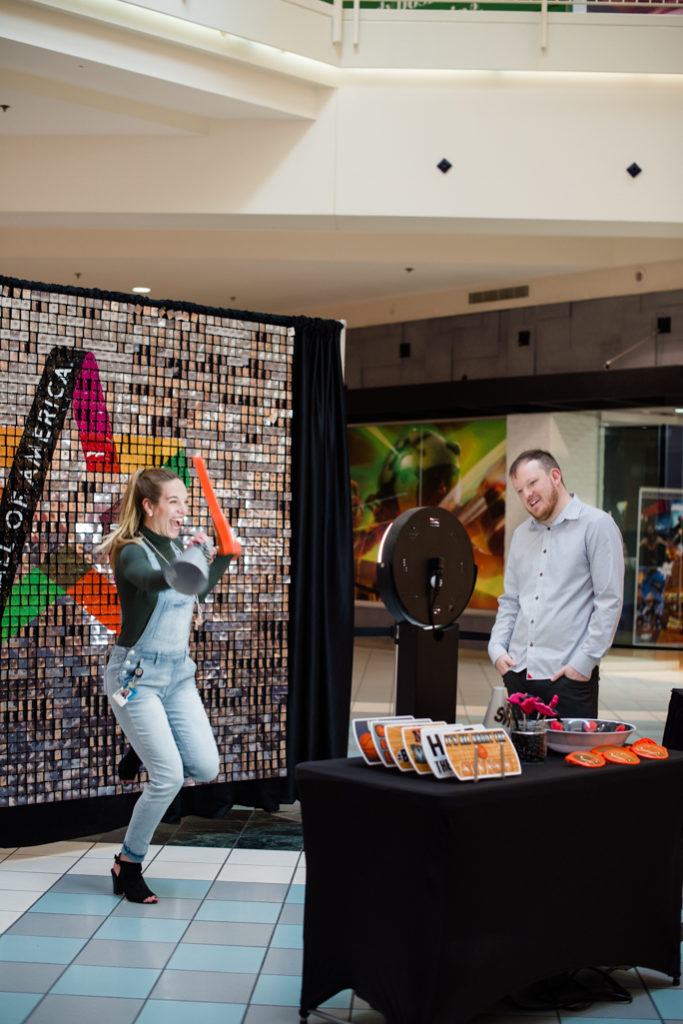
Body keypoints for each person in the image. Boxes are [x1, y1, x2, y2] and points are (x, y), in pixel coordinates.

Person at [97, 467, 235, 903]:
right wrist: (188, 559)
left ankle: (140, 744)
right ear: (149, 506)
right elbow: (152, 579)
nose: (183, 509)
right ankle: (129, 863)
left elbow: (199, 587)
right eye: (173, 501)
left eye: (184, 500)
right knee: (169, 776)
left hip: (178, 676)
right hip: (136, 678)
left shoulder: (181, 547)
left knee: (206, 768)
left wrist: (225, 555)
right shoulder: (130, 551)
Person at [488, 449, 624, 719]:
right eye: (519, 490)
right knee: (521, 760)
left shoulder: (597, 525)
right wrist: (496, 649)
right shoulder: (520, 534)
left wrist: (583, 665)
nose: (527, 494)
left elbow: (609, 601)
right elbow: (510, 601)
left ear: (555, 476)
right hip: (518, 673)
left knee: (569, 761)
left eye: (532, 483)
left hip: (568, 679)